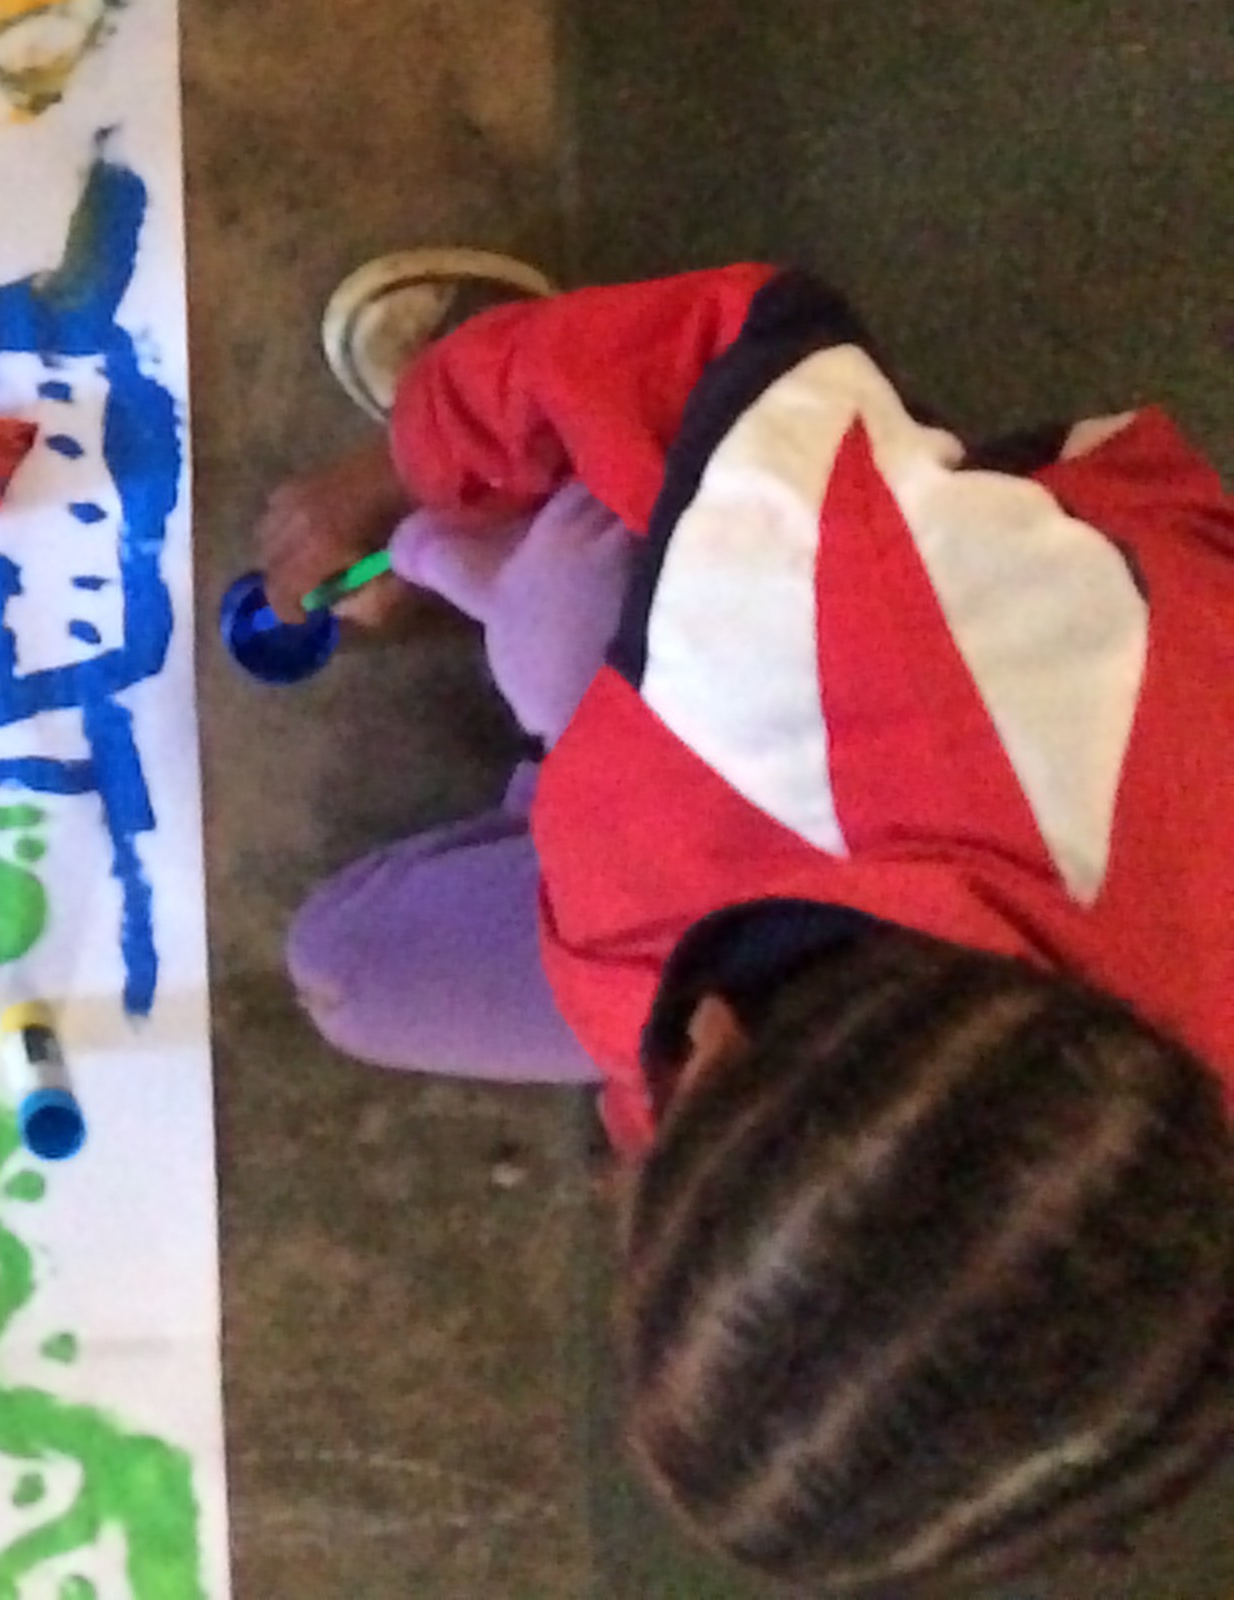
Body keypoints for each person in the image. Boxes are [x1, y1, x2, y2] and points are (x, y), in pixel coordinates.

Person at [256, 251, 1234, 1589]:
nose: (619, 1162)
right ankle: (546, 518)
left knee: (346, 970)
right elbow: (732, 333)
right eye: (645, 1177)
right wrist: (404, 469)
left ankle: (560, 696)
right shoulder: (801, 598)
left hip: (724, 853)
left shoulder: (1159, 1217)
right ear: (711, 1045)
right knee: (570, 589)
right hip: (913, 643)